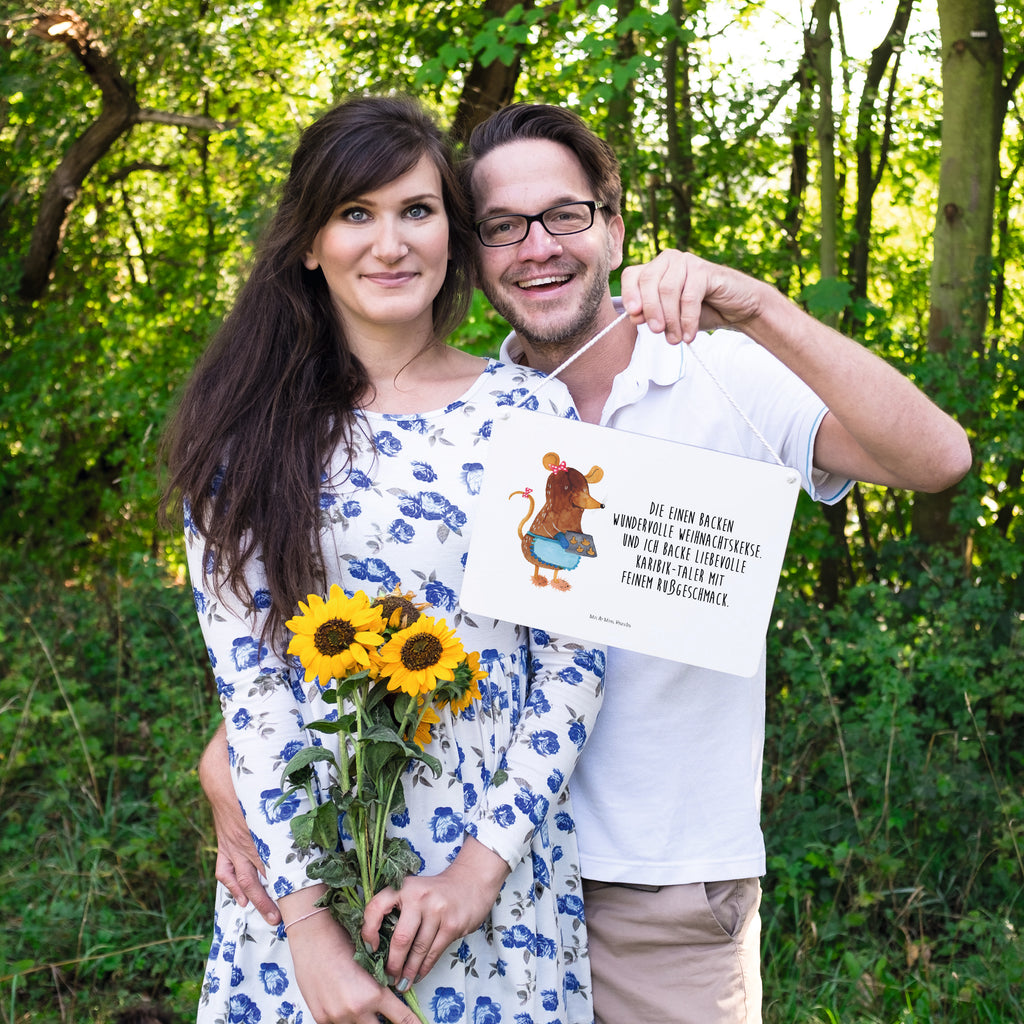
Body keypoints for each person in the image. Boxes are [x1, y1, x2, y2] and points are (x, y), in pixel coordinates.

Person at [202, 102, 972, 1024]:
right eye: (502, 226)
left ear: (612, 225)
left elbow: (937, 461)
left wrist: (759, 306)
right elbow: (329, 634)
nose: (537, 247)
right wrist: (235, 773)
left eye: (565, 215)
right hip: (415, 874)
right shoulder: (452, 417)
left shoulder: (707, 374)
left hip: (649, 887)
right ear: (474, 250)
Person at [163, 96, 608, 1024]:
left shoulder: (532, 416)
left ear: (452, 230)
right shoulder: (244, 437)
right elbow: (253, 691)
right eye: (355, 214)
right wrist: (311, 937)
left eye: (417, 210)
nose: (391, 243)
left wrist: (478, 873)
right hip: (302, 884)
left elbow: (574, 661)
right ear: (309, 243)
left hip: (492, 886)